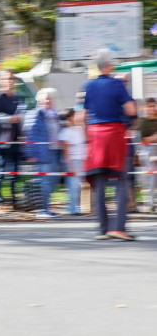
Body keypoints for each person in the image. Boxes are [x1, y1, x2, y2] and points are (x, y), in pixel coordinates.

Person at [81, 49, 137, 241]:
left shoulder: (88, 86)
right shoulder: (117, 84)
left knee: (100, 181)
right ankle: (119, 227)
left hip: (95, 136)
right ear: (110, 65)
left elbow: (83, 115)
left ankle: (103, 229)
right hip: (113, 134)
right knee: (122, 180)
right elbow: (130, 109)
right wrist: (132, 119)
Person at [0, 70, 24, 206]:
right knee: (0, 169)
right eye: (6, 79)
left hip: (15, 138)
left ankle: (14, 197)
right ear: (0, 81)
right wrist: (10, 119)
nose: (9, 81)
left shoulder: (17, 97)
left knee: (15, 170)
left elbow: (22, 114)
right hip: (1, 139)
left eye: (11, 79)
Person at [24, 88, 61, 219]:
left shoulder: (55, 114)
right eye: (45, 98)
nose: (48, 101)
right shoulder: (34, 114)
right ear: (39, 100)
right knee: (45, 181)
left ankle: (47, 207)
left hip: (55, 151)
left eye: (50, 98)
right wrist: (31, 153)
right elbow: (29, 135)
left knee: (52, 180)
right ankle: (44, 209)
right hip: (42, 152)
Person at [59, 109, 86, 215]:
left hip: (80, 159)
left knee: (78, 185)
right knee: (73, 186)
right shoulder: (66, 132)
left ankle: (76, 206)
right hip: (73, 160)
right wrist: (69, 163)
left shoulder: (79, 129)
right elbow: (65, 149)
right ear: (70, 118)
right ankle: (73, 208)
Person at [138, 98, 157, 212]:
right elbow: (144, 138)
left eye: (153, 106)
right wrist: (154, 138)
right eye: (150, 106)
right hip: (149, 150)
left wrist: (152, 138)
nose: (152, 108)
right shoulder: (144, 121)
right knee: (151, 178)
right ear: (146, 108)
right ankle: (150, 203)